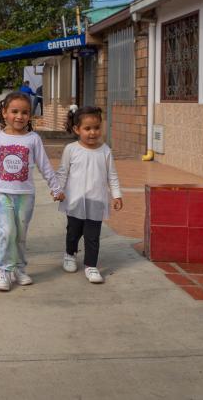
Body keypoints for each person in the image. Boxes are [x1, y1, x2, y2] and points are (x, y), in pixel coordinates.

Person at [0, 91, 63, 291]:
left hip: (26, 195)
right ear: (5, 113)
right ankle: (4, 270)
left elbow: (44, 166)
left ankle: (19, 268)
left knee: (20, 235)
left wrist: (56, 188)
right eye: (15, 111)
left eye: (25, 112)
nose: (20, 116)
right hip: (3, 193)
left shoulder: (33, 139)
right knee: (7, 232)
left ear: (30, 115)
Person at [56, 106, 123, 284]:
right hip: (75, 200)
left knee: (92, 235)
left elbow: (112, 175)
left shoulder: (105, 151)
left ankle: (91, 266)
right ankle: (70, 254)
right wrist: (58, 190)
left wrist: (117, 195)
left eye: (96, 128)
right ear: (77, 129)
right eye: (87, 128)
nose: (93, 132)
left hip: (96, 201)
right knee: (73, 232)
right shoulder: (71, 149)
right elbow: (63, 172)